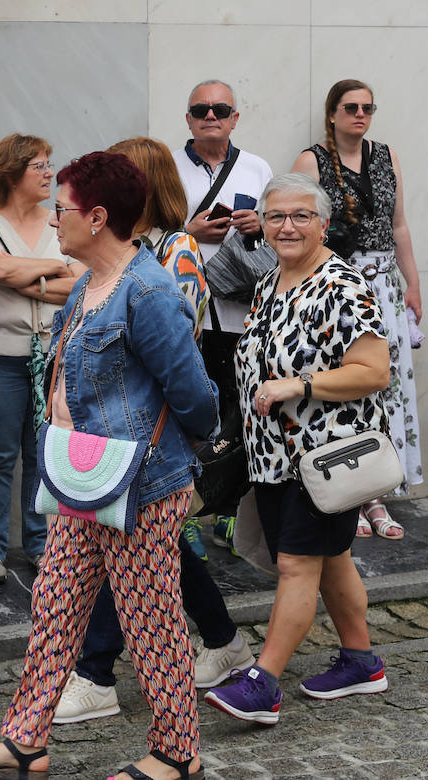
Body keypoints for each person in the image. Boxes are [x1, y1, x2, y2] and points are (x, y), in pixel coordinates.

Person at [0, 151, 217, 780]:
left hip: (142, 484)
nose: (54, 219)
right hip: (80, 476)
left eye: (63, 209)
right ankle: (26, 742)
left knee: (150, 618)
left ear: (97, 218)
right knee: (54, 606)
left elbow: (197, 398)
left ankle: (177, 753)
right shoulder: (86, 285)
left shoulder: (148, 292)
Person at [51, 138, 254, 727]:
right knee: (154, 562)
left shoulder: (166, 261)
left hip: (146, 452)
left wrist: (183, 441)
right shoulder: (102, 269)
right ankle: (221, 642)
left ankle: (101, 678)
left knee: (141, 578)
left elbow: (178, 368)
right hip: (102, 448)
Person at [205, 172, 391, 726]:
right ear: (262, 223)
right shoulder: (271, 281)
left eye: (301, 216)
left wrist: (299, 385)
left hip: (324, 456)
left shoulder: (341, 286)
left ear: (323, 224)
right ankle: (361, 662)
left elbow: (373, 370)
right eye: (276, 216)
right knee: (330, 559)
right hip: (273, 456)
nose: (287, 226)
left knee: (296, 564)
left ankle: (263, 684)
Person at [291, 79, 422, 540]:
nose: (360, 114)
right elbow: (297, 227)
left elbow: (398, 225)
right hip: (336, 289)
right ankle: (349, 492)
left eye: (368, 107)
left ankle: (376, 493)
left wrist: (412, 283)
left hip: (385, 285)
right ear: (332, 114)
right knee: (345, 388)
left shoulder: (386, 156)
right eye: (351, 107)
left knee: (383, 389)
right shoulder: (311, 161)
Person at [0, 134, 81, 583]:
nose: (50, 173)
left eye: (49, 164)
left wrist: (27, 281)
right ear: (12, 173)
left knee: (41, 453)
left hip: (54, 356)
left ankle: (39, 544)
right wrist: (53, 269)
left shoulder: (59, 222)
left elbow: (82, 282)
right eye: (39, 166)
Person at [172, 80, 272, 557]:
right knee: (188, 415)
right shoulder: (169, 167)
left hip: (240, 314)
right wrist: (187, 232)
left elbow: (280, 230)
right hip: (186, 316)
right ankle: (187, 513)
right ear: (188, 119)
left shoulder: (257, 168)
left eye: (220, 109)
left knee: (238, 414)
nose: (210, 116)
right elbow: (142, 233)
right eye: (200, 110)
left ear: (235, 118)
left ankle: (229, 511)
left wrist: (259, 225)